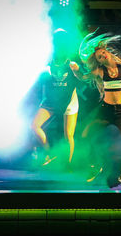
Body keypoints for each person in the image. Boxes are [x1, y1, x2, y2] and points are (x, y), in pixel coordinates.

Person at [69, 32, 121, 187]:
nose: (102, 56)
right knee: (86, 135)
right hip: (105, 111)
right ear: (99, 62)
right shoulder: (100, 72)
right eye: (99, 57)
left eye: (103, 53)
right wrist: (76, 69)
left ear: (108, 52)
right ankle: (95, 166)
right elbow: (83, 77)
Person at [31, 30, 80, 166]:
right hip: (52, 100)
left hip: (69, 101)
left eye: (60, 43)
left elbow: (82, 77)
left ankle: (69, 164)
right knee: (35, 126)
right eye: (55, 43)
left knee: (68, 135)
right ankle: (48, 153)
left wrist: (77, 71)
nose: (57, 46)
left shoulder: (71, 62)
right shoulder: (47, 61)